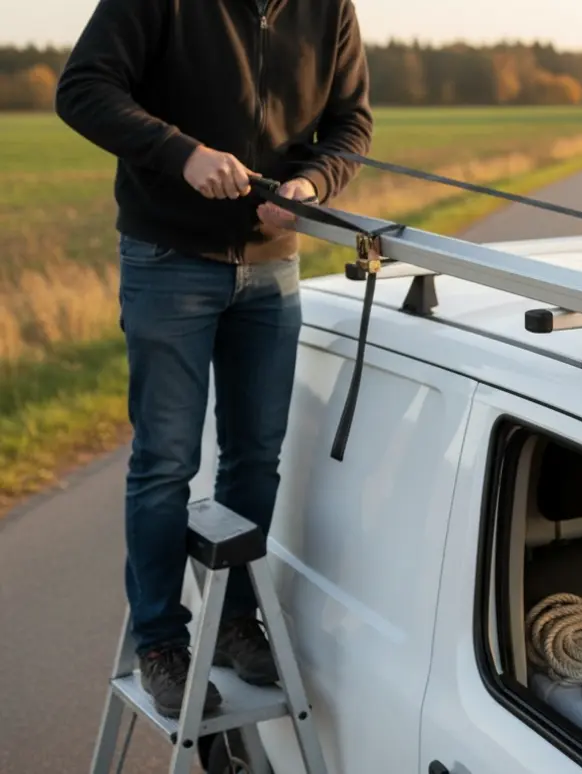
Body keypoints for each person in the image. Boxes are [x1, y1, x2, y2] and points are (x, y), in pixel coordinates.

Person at [54, 0, 373, 717]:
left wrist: (312, 186)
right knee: (165, 460)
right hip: (168, 260)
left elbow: (352, 123)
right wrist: (183, 154)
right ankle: (161, 640)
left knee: (257, 457)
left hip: (273, 270)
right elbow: (81, 88)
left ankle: (232, 622)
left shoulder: (331, 8)